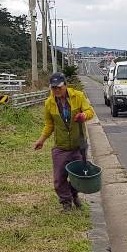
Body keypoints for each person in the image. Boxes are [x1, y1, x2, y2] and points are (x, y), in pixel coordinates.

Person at [33, 72, 95, 212]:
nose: (56, 91)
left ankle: (74, 195)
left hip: (78, 145)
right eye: (53, 88)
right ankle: (66, 202)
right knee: (59, 179)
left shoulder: (78, 96)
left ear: (65, 85)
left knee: (78, 176)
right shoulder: (49, 103)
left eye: (59, 87)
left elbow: (89, 111)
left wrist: (83, 115)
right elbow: (49, 125)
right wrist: (41, 140)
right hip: (61, 146)